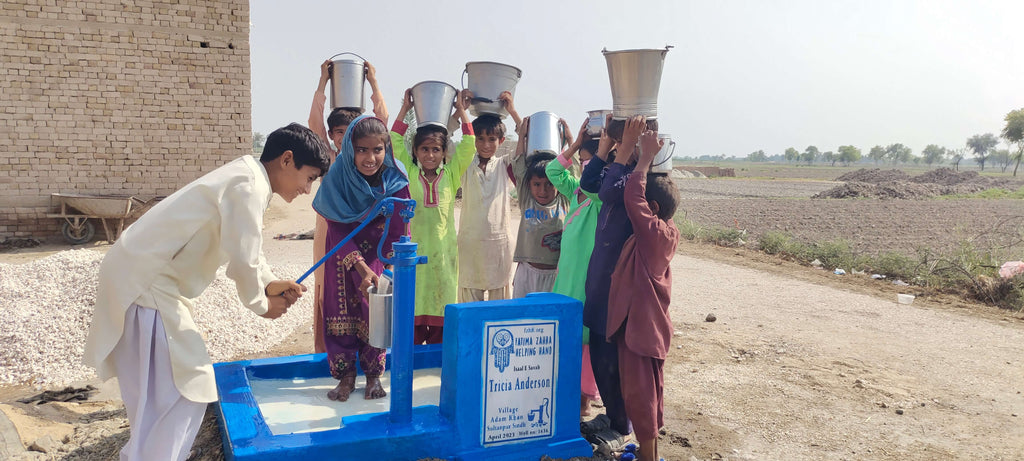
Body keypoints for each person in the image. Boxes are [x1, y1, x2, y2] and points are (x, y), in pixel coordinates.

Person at [84, 123, 330, 461]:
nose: (308, 189)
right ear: (287, 159)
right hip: (148, 285)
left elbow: (248, 251)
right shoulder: (248, 184)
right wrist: (263, 304)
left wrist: (270, 282)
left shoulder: (248, 177)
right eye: (310, 177)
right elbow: (243, 259)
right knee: (187, 389)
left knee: (158, 397)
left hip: (142, 279)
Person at [312, 115, 410, 402]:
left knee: (375, 311)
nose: (370, 158)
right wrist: (358, 265)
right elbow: (338, 226)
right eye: (362, 150)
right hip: (344, 254)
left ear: (386, 150)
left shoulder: (396, 179)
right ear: (349, 150)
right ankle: (346, 377)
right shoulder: (337, 179)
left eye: (377, 150)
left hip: (378, 252)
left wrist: (387, 265)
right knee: (339, 313)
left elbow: (398, 224)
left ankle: (373, 375)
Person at [579, 114, 657, 443]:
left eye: (635, 137)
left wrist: (627, 151)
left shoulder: (647, 176)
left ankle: (621, 424)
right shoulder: (622, 167)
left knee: (613, 355)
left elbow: (611, 193)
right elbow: (588, 183)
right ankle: (611, 414)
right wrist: (607, 148)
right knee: (599, 348)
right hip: (601, 273)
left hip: (619, 281)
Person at [607, 128, 680, 461]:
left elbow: (633, 199)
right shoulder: (668, 231)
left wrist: (646, 157)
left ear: (652, 208)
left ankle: (648, 458)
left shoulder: (652, 233)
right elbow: (643, 200)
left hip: (640, 332)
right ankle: (650, 453)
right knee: (648, 393)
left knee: (641, 397)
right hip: (646, 330)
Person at [309, 58, 389, 354]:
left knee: (366, 292)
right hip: (328, 231)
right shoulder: (327, 159)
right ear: (331, 136)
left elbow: (382, 121)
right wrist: (323, 82)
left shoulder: (369, 160)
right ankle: (326, 354)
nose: (343, 137)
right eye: (338, 132)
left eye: (349, 131)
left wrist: (373, 82)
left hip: (364, 235)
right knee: (326, 290)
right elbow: (314, 123)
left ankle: (366, 358)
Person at [391, 88, 475, 344]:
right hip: (413, 257)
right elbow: (394, 141)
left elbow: (469, 146)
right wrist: (405, 109)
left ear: (443, 152)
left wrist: (462, 112)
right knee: (411, 324)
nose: (430, 155)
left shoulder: (451, 174)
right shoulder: (408, 173)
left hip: (443, 257)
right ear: (415, 152)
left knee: (442, 326)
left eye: (436, 149)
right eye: (425, 149)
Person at [546, 119, 608, 416]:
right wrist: (574, 144)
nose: (585, 167)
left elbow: (594, 181)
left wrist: (604, 151)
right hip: (565, 275)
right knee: (567, 333)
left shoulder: (599, 198)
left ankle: (585, 398)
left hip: (586, 277)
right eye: (582, 162)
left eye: (591, 162)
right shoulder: (575, 191)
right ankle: (568, 391)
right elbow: (552, 170)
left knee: (584, 337)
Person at [456, 91, 523, 302]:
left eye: (492, 139)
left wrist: (512, 110)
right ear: (472, 139)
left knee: (498, 314)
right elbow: (443, 140)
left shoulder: (505, 164)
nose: (486, 144)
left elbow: (527, 142)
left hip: (499, 247)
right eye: (481, 139)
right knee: (469, 313)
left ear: (501, 140)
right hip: (469, 247)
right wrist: (460, 111)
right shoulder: (464, 164)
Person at [510, 116, 569, 298]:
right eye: (537, 184)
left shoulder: (566, 199)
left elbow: (573, 170)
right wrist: (522, 138)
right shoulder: (527, 198)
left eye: (549, 184)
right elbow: (519, 168)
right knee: (521, 318)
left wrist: (570, 141)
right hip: (527, 272)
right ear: (529, 185)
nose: (543, 190)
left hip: (554, 274)